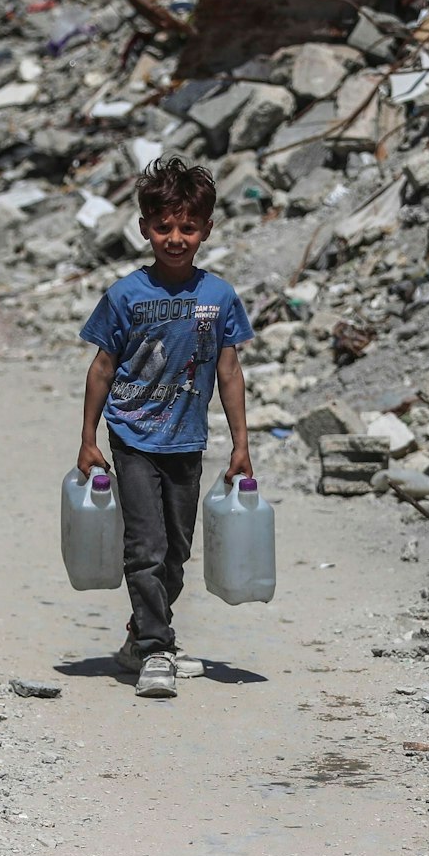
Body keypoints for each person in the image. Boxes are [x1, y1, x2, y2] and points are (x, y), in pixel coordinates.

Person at [76, 158, 255, 699]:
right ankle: (157, 649)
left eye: (187, 227)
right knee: (145, 548)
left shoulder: (219, 297)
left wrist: (242, 442)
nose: (175, 239)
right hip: (131, 436)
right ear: (144, 228)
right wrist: (88, 439)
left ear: (206, 229)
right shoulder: (125, 295)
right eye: (163, 227)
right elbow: (102, 368)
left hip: (187, 441)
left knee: (176, 552)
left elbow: (229, 370)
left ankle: (137, 635)